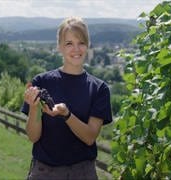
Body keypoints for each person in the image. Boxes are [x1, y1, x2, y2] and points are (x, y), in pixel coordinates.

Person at [21, 16, 113, 180]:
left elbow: (90, 137)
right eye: (69, 43)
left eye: (81, 43)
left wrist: (67, 115)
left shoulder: (99, 89)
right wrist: (34, 107)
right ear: (60, 47)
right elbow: (33, 137)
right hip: (44, 173)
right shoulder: (42, 82)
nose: (76, 49)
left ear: (88, 45)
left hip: (83, 174)